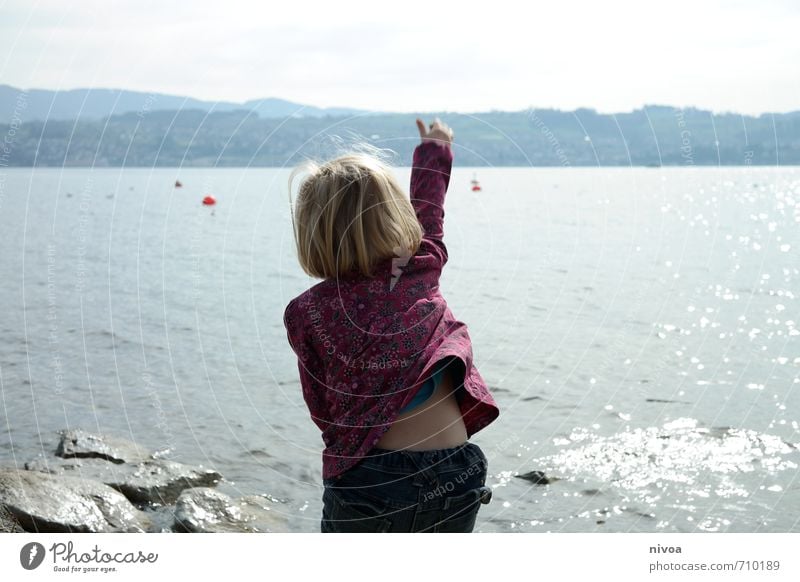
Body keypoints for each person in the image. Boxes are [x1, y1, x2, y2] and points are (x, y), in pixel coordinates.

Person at [283, 118, 500, 532]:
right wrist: (435, 149)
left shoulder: (307, 312)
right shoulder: (420, 267)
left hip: (374, 479)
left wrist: (342, 464)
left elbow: (324, 410)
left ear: (312, 233)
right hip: (458, 469)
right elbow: (430, 211)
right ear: (396, 219)